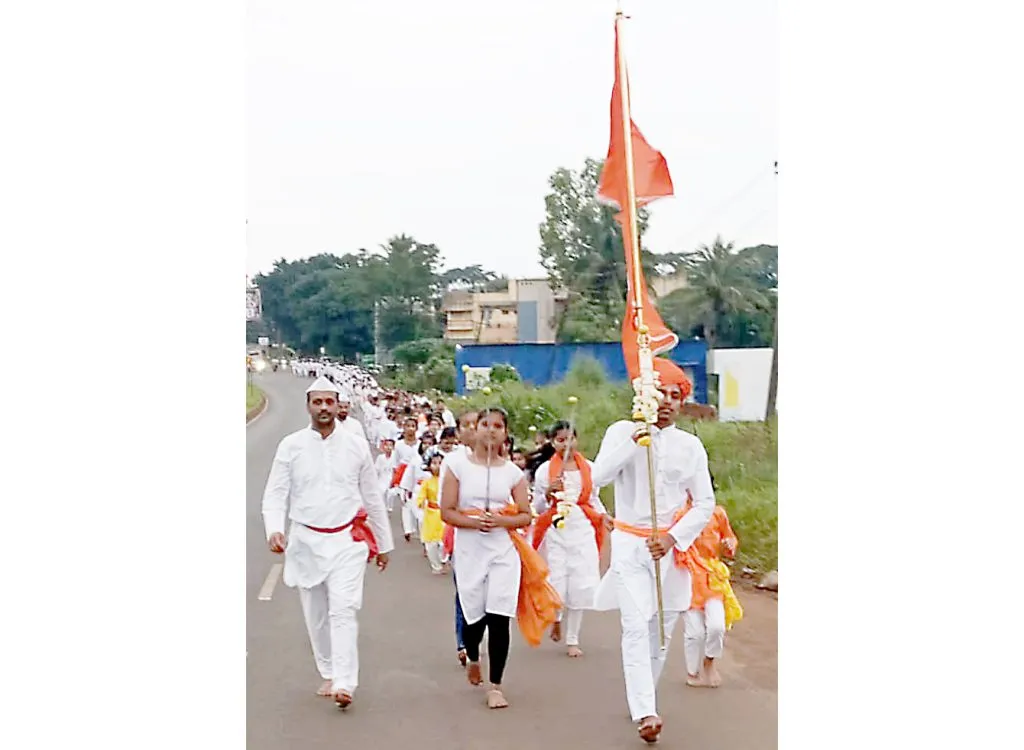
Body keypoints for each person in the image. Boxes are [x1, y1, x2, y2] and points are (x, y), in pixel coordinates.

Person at [590, 359, 716, 744]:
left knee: (660, 632)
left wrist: (675, 538)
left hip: (671, 550)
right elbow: (597, 478)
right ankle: (645, 711)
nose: (666, 402)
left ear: (682, 403)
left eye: (675, 396)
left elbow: (704, 503)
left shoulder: (690, 445)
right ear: (643, 396)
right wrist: (636, 439)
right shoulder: (621, 432)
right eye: (659, 393)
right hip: (630, 544)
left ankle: (645, 698)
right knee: (635, 623)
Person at [261, 376, 394, 710]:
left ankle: (345, 682)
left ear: (338, 405)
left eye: (329, 402)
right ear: (308, 405)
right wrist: (275, 530)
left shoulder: (355, 444)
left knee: (343, 609)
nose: (323, 408)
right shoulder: (290, 445)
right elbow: (275, 493)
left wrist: (384, 542)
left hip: (347, 540)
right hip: (305, 539)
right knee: (316, 614)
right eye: (317, 402)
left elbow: (372, 497)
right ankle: (329, 670)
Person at [440, 407, 559, 709]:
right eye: (485, 425)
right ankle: (473, 655)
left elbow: (523, 515)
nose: (491, 431)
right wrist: (475, 522)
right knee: (473, 617)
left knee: (499, 616)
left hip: (503, 551)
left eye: (497, 426)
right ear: (475, 429)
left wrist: (500, 522)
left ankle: (496, 685)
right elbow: (447, 511)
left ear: (505, 433)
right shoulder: (457, 466)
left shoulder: (513, 473)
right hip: (469, 549)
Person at [531, 421, 612, 658]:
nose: (566, 444)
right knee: (557, 581)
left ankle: (573, 639)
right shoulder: (544, 471)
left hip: (583, 527)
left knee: (581, 583)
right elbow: (536, 506)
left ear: (577, 439)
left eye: (570, 439)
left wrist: (604, 516)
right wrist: (548, 493)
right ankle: (556, 618)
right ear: (552, 442)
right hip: (555, 528)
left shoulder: (589, 468)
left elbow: (593, 500)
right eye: (560, 440)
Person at [682, 496, 742, 688]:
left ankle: (710, 661)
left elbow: (729, 537)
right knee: (695, 632)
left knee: (717, 626)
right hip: (688, 575)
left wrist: (729, 545)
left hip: (712, 578)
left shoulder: (717, 513)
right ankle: (692, 672)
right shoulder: (679, 514)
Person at [415, 452, 447, 574]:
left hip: (445, 514)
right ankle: (436, 565)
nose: (437, 466)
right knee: (431, 543)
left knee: (444, 540)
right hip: (431, 514)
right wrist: (420, 503)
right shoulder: (427, 482)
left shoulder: (448, 481)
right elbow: (421, 496)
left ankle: (444, 560)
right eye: (434, 463)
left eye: (440, 463)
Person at [393, 416, 421, 542]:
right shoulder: (399, 445)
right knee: (405, 502)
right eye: (408, 426)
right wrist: (396, 480)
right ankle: (407, 529)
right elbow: (395, 463)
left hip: (417, 474)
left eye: (413, 426)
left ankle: (417, 527)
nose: (410, 429)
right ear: (403, 428)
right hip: (403, 473)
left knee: (416, 501)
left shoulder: (420, 444)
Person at [374, 437, 398, 512]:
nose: (388, 447)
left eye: (390, 445)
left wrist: (394, 481)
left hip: (390, 478)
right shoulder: (380, 458)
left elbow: (395, 470)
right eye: (386, 445)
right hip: (382, 478)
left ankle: (389, 507)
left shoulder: (395, 458)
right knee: (381, 492)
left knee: (390, 494)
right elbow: (376, 469)